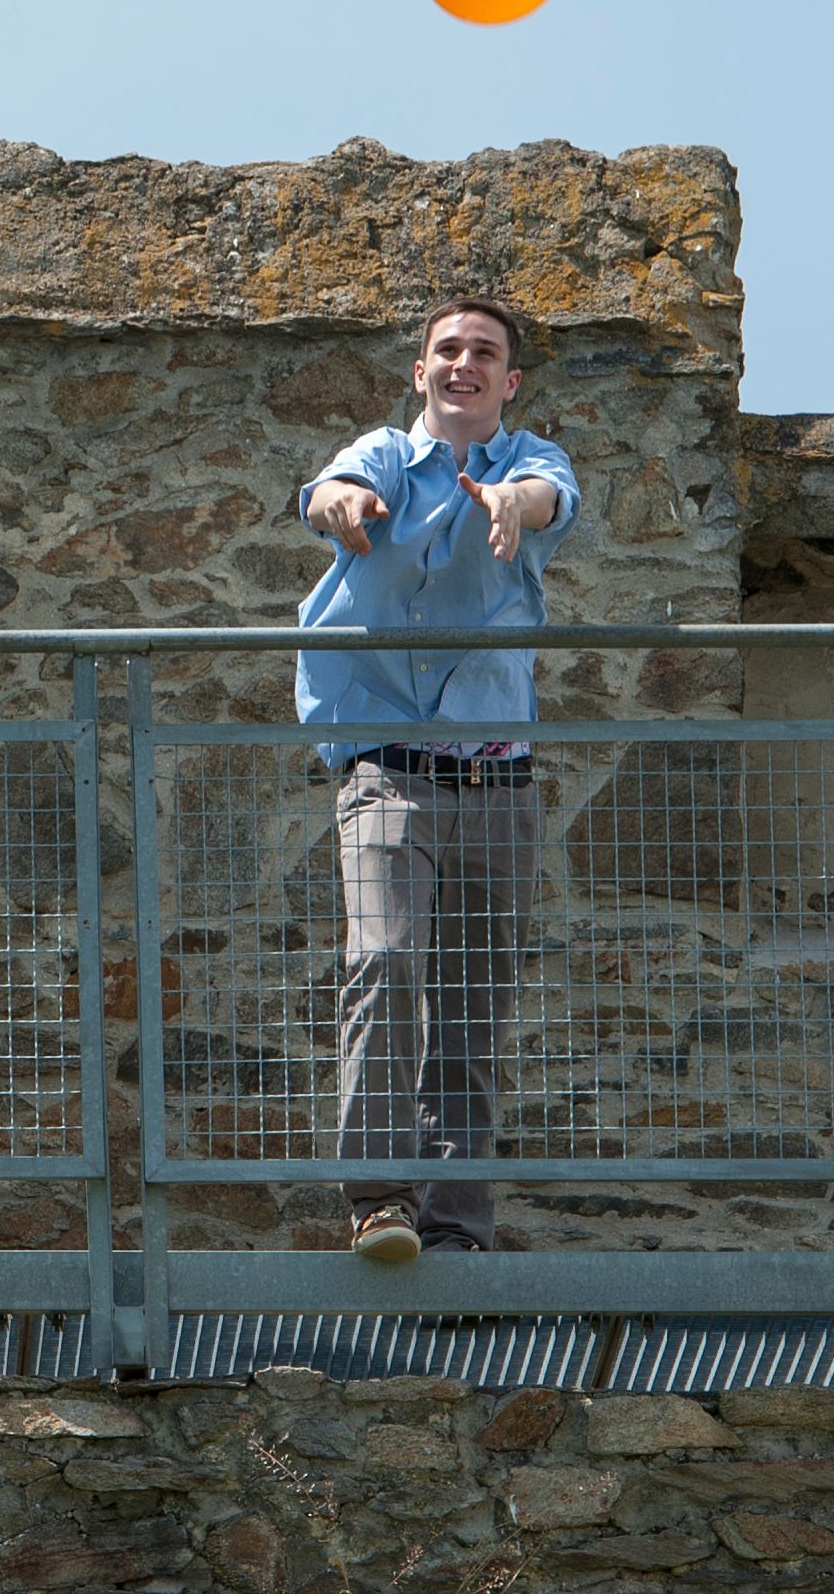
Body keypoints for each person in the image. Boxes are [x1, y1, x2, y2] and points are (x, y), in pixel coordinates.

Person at [295, 293, 579, 1267]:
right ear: (420, 373)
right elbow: (328, 488)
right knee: (382, 964)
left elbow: (548, 497)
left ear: (508, 381)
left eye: (483, 353)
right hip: (387, 776)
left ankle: (456, 1233)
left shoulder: (531, 464)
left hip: (497, 785)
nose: (462, 364)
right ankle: (380, 1203)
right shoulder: (382, 455)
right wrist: (342, 508)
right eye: (445, 350)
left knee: (471, 1002)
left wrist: (508, 507)